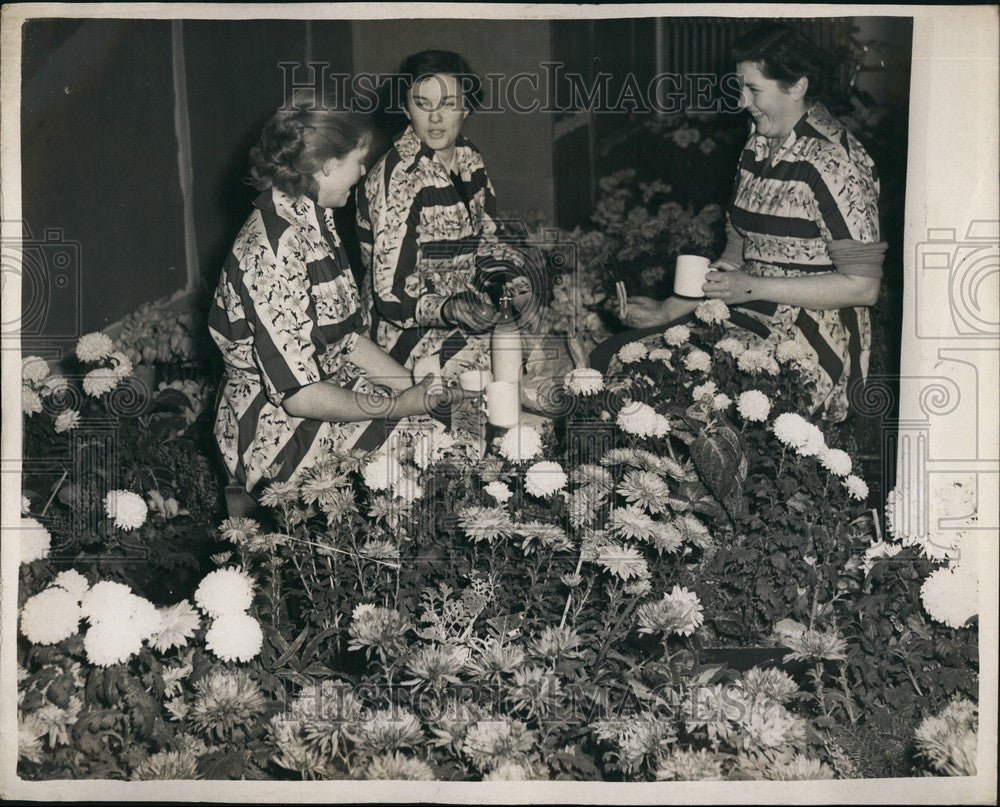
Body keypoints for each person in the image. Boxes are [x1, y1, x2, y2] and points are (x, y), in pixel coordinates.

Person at [592, 22, 886, 423]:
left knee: (674, 396)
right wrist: (667, 309)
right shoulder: (757, 146)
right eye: (739, 87)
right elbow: (734, 257)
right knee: (612, 359)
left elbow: (863, 287)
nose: (742, 101)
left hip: (812, 336)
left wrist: (753, 287)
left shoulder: (834, 162)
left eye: (753, 89)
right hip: (748, 314)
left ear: (797, 86)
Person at [208, 93, 451, 500]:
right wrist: (398, 406)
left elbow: (347, 340)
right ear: (328, 165)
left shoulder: (312, 218)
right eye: (359, 161)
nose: (363, 172)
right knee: (415, 459)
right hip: (272, 430)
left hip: (324, 392)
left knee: (441, 429)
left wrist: (415, 388)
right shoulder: (271, 250)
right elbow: (299, 396)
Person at [356, 49, 526, 384]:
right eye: (422, 104)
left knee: (525, 342)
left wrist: (511, 281)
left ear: (466, 107)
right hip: (402, 330)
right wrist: (448, 308)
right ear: (406, 109)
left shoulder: (469, 157)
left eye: (448, 104)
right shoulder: (398, 178)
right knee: (486, 375)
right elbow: (390, 295)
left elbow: (486, 240)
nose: (435, 118)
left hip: (467, 308)